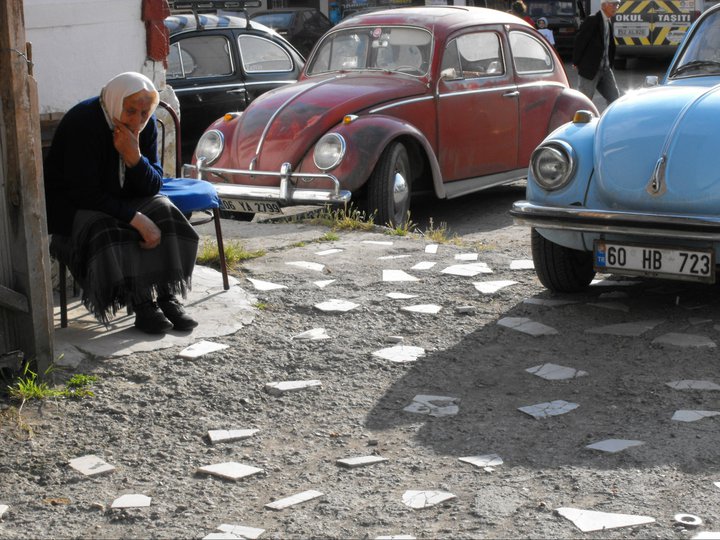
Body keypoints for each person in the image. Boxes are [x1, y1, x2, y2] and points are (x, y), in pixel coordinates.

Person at [44, 72, 200, 334]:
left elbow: (153, 186)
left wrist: (134, 158)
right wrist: (136, 219)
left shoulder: (145, 125)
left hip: (120, 198)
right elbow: (84, 192)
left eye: (144, 113)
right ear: (116, 102)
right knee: (109, 227)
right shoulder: (83, 123)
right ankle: (141, 303)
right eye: (130, 111)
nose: (137, 121)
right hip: (74, 206)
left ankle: (167, 295)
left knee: (164, 210)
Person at [572, 0, 621, 105]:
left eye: (617, 5)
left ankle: (611, 116)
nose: (616, 7)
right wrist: (576, 61)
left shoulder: (608, 21)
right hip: (591, 69)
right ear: (604, 5)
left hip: (606, 69)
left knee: (615, 99)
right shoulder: (593, 19)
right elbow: (580, 41)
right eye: (613, 4)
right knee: (584, 102)